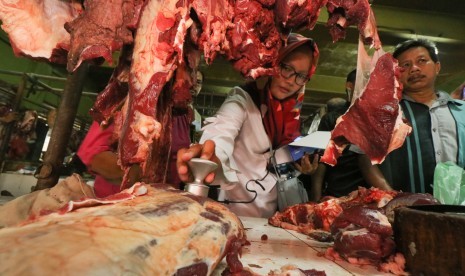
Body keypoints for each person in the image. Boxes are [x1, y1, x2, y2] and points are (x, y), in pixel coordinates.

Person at [178, 33, 320, 217]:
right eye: (286, 68)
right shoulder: (242, 100)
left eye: (300, 76)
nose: (291, 80)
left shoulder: (290, 117)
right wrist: (210, 156)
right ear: (273, 64)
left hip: (270, 217)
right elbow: (221, 131)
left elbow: (280, 162)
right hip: (232, 214)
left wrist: (303, 167)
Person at [358, 39, 465, 194]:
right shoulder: (384, 113)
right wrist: (392, 198)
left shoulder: (461, 111)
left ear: (437, 67)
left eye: (422, 61)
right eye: (405, 65)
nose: (414, 69)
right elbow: (366, 161)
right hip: (406, 211)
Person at [77, 122, 140, 197]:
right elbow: (94, 155)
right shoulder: (118, 112)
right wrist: (138, 173)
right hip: (116, 201)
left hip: (149, 201)